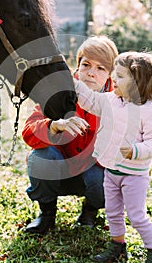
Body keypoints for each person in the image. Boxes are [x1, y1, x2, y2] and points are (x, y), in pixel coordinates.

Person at [74, 51, 152, 263]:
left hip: (134, 175)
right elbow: (89, 100)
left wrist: (136, 150)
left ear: (138, 82)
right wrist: (74, 82)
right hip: (111, 171)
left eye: (120, 76)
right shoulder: (109, 100)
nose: (113, 79)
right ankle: (118, 246)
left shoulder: (149, 110)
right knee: (113, 212)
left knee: (137, 216)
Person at [21, 36, 118, 234]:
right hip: (59, 166)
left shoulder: (117, 102)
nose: (91, 73)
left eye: (101, 68)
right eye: (86, 65)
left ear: (110, 74)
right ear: (78, 66)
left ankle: (89, 212)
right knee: (40, 158)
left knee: (105, 177)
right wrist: (54, 126)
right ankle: (47, 215)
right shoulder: (60, 91)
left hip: (92, 172)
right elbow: (28, 130)